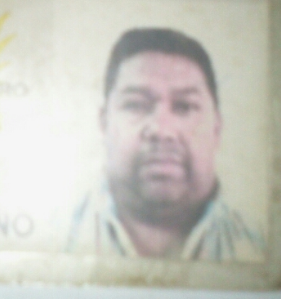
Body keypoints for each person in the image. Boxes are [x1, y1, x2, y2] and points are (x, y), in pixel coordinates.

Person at [67, 28, 265, 261]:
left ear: (216, 128)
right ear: (104, 123)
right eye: (136, 105)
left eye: (184, 107)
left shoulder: (266, 246)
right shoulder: (53, 236)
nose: (162, 130)